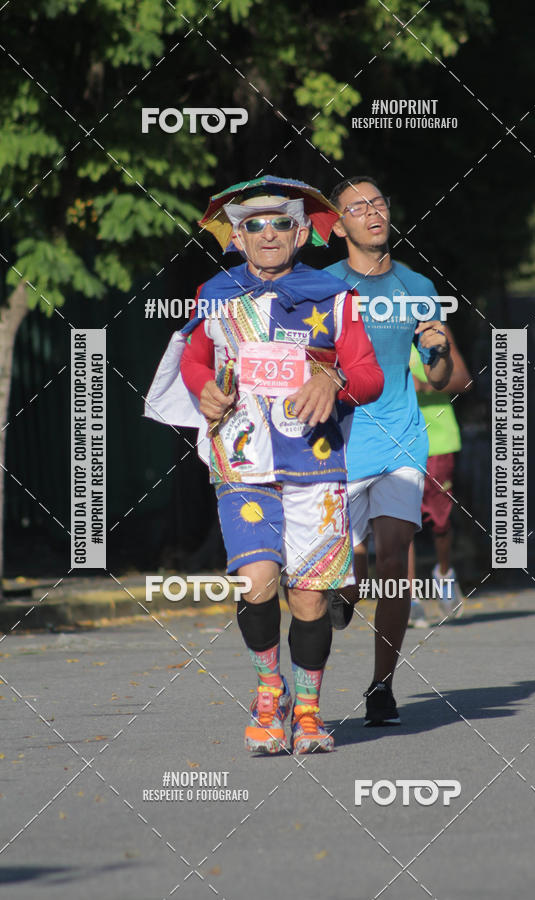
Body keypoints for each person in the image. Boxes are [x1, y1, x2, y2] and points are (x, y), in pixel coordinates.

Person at [178, 177, 384, 754]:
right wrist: (205, 392)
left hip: (315, 467)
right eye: (254, 225)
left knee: (311, 598)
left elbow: (369, 374)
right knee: (255, 580)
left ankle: (311, 712)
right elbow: (195, 360)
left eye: (280, 224)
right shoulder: (214, 293)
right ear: (238, 237)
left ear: (300, 232)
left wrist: (334, 378)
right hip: (241, 462)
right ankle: (270, 694)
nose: (268, 234)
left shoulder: (334, 295)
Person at [325, 176, 453, 725]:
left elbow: (443, 377)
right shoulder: (320, 285)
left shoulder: (418, 285)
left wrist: (438, 349)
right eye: (358, 207)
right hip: (340, 443)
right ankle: (344, 591)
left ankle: (382, 686)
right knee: (341, 571)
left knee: (394, 563)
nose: (373, 213)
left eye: (379, 202)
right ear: (339, 224)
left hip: (402, 436)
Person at [407, 328, 472, 628]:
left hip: (438, 443)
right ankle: (407, 597)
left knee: (440, 522)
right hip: (396, 442)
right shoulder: (374, 331)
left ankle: (444, 574)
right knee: (399, 522)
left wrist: (424, 385)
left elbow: (463, 380)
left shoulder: (435, 332)